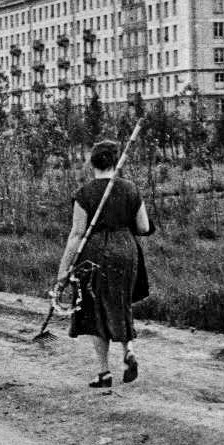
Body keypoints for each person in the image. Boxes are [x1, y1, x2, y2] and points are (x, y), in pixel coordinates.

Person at [55, 138, 152, 389]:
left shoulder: (85, 193)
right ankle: (128, 349)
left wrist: (63, 270)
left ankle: (104, 371)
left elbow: (76, 234)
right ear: (115, 161)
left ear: (92, 163)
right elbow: (143, 227)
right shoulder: (130, 189)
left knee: (95, 307)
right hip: (126, 250)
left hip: (95, 252)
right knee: (121, 301)